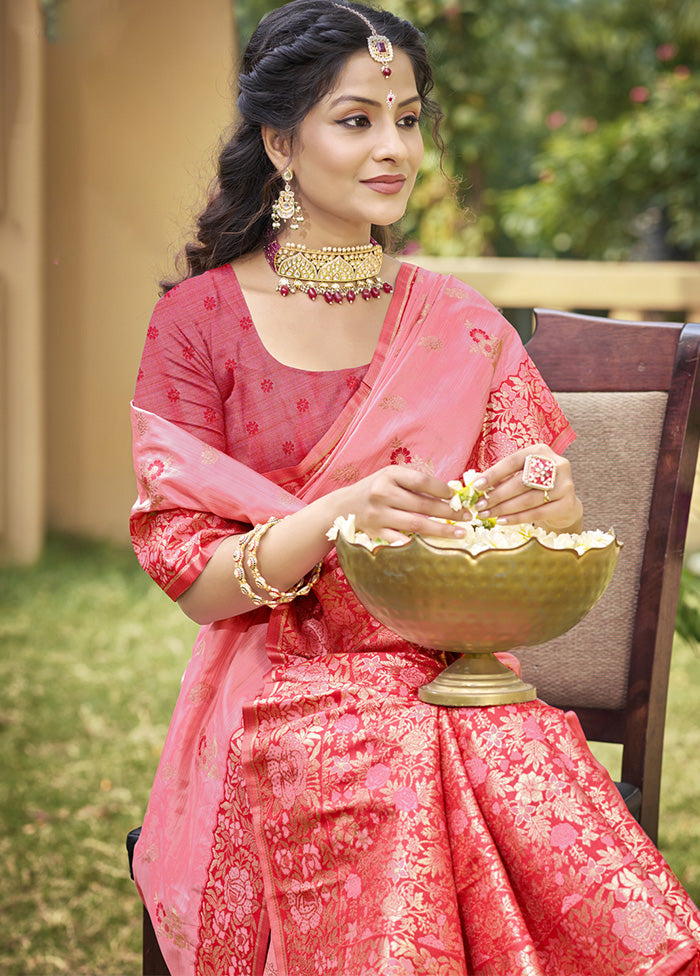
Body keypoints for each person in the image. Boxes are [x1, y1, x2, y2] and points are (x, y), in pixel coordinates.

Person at [129, 2, 700, 973]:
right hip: (277, 691)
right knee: (392, 768)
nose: (393, 147)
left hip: (454, 677)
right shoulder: (199, 324)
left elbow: (543, 523)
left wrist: (537, 492)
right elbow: (195, 580)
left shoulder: (460, 324)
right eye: (356, 120)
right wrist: (336, 516)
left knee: (517, 769)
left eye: (407, 118)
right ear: (279, 140)